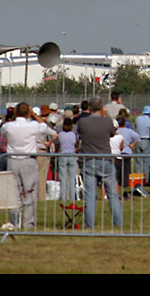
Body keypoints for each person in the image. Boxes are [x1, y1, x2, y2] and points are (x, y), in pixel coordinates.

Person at [0, 102, 56, 229]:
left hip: (13, 160)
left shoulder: (9, 126)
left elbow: (2, 131)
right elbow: (50, 130)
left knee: (15, 193)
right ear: (28, 113)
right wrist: (35, 116)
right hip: (28, 161)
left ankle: (15, 221)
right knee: (30, 192)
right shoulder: (33, 126)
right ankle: (28, 222)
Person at [76, 96, 122, 229]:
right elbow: (112, 133)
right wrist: (105, 114)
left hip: (89, 160)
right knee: (113, 194)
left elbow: (80, 134)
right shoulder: (107, 122)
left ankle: (89, 225)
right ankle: (118, 223)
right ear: (102, 108)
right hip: (105, 160)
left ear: (89, 108)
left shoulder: (83, 122)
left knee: (90, 195)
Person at [55, 117, 79, 203]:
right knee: (72, 179)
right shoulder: (74, 134)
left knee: (63, 178)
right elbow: (77, 144)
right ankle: (72, 198)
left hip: (62, 155)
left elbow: (57, 144)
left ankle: (63, 197)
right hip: (72, 155)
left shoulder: (60, 134)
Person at [134, 105, 150, 190]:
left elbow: (136, 127)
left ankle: (137, 179)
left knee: (138, 161)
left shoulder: (137, 119)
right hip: (146, 139)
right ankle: (145, 180)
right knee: (146, 161)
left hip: (138, 140)